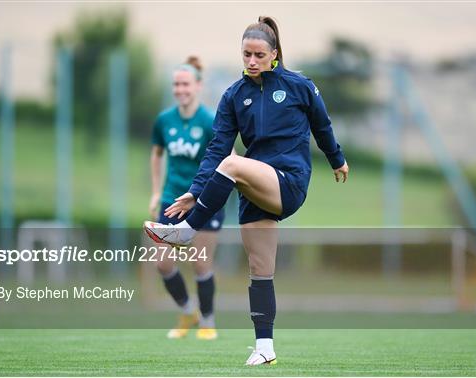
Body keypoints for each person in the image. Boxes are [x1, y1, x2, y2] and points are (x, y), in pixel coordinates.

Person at [145, 17, 349, 365]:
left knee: (232, 163)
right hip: (255, 187)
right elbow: (216, 146)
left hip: (289, 179)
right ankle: (265, 348)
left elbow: (322, 124)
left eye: (258, 55)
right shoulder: (234, 96)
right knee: (259, 268)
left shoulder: (299, 85)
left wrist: (337, 159)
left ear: (274, 55)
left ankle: (187, 231)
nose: (251, 61)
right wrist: (196, 191)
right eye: (246, 54)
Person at [147, 56, 225, 341]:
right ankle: (188, 311)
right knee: (163, 263)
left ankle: (207, 321)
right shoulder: (164, 120)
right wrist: (156, 191)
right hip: (172, 199)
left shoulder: (210, 121)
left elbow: (229, 158)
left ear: (198, 86)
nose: (180, 89)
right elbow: (156, 154)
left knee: (200, 263)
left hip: (205, 202)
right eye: (176, 84)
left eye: (185, 84)